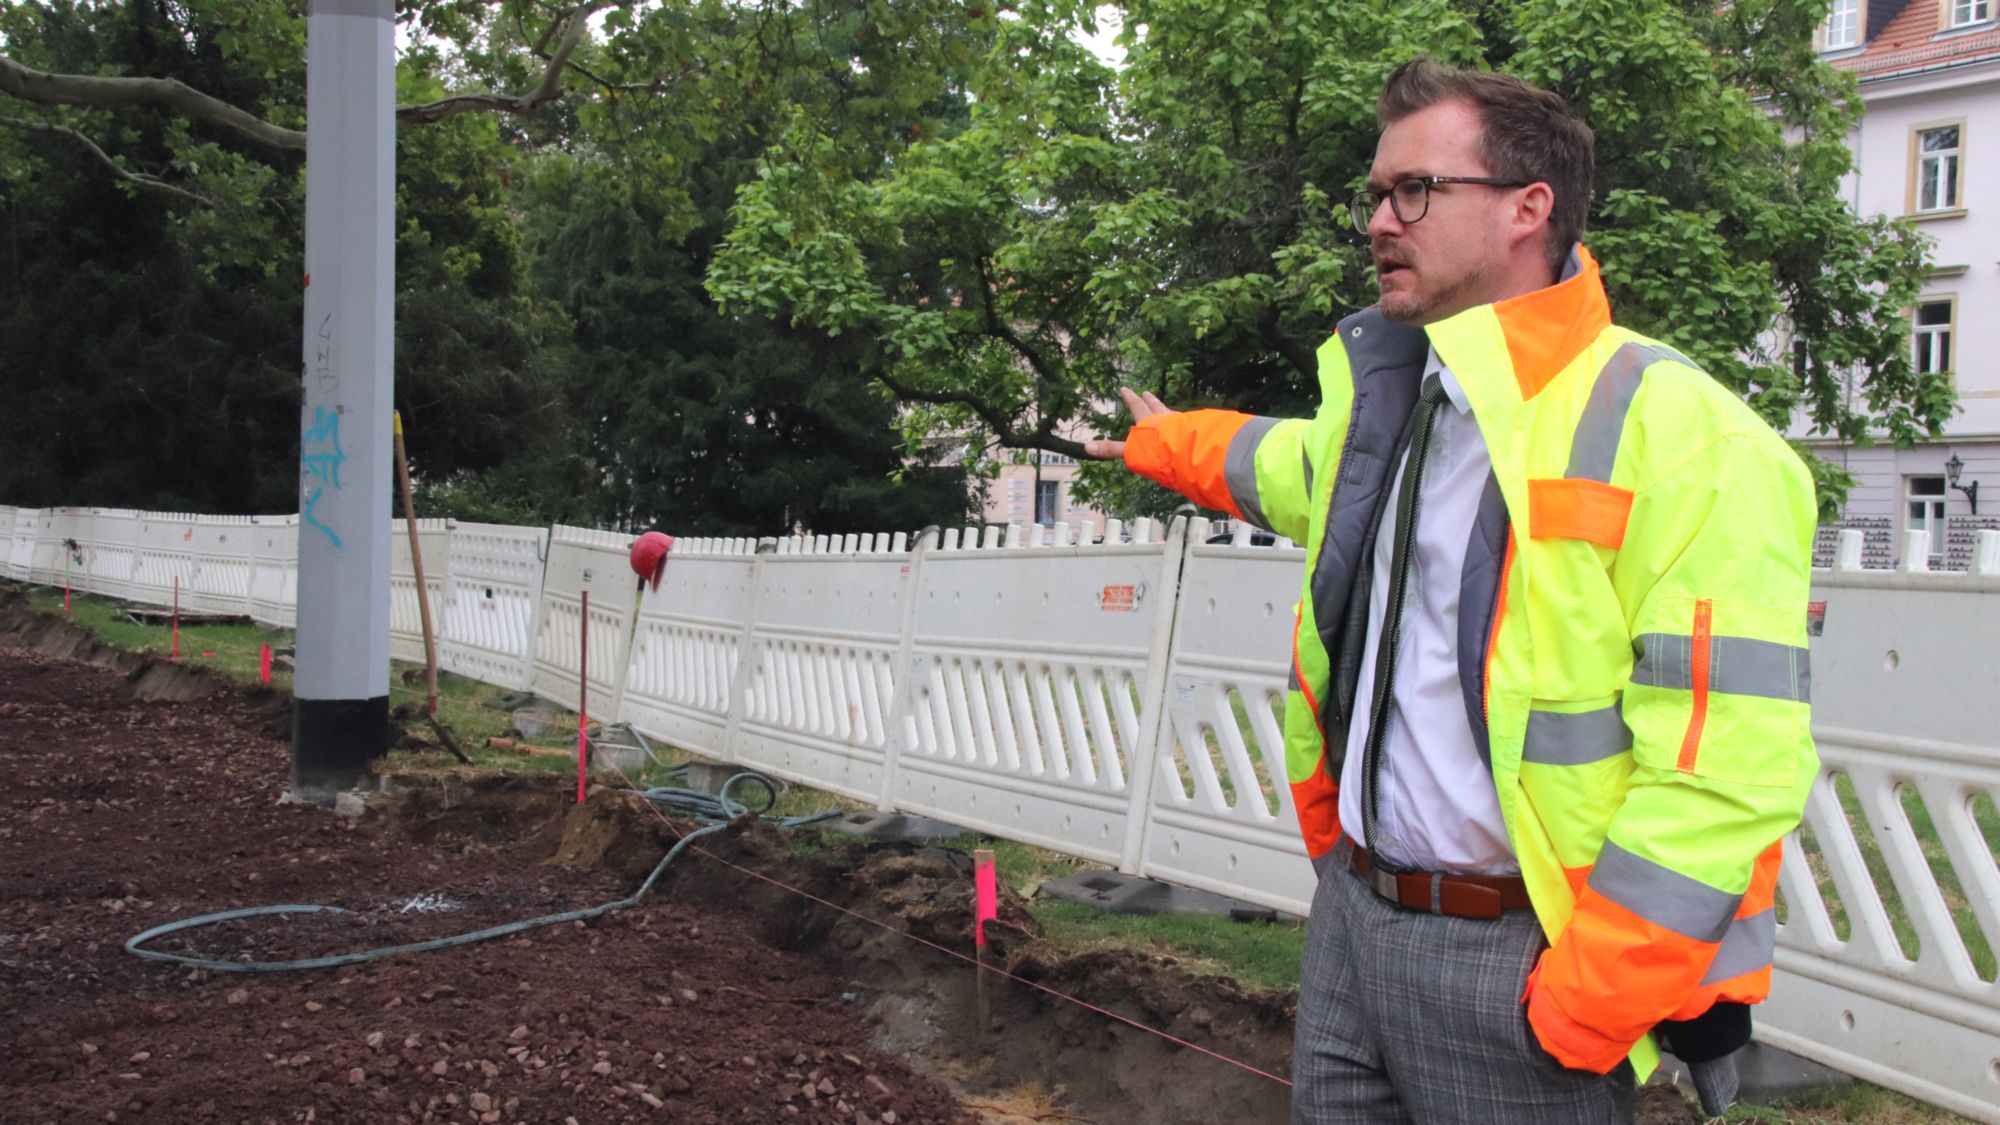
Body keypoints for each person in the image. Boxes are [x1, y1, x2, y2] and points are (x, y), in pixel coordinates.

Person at [1085, 59, 1816, 1124]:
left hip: (1520, 967)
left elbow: (1726, 771)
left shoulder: (1691, 439)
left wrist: (1582, 1006)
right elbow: (1284, 469)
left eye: (1414, 190)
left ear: (1529, 208)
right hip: (1352, 922)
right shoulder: (1398, 406)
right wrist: (1165, 442)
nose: (1379, 220)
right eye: (1375, 195)